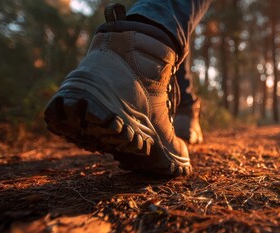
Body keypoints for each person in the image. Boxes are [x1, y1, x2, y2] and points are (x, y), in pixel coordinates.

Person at [44, 1, 212, 177]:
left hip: (103, 51)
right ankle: (141, 60)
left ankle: (184, 106)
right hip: (139, 58)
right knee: (170, 19)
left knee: (179, 25)